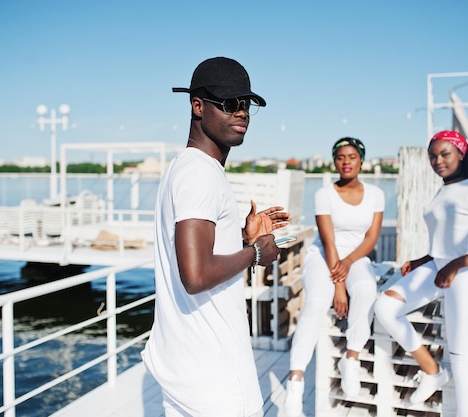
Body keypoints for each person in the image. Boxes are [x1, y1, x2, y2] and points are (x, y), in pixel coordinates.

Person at [141, 57, 290, 417]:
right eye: (229, 104)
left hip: (187, 366)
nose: (241, 114)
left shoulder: (185, 167)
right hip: (214, 377)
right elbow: (196, 275)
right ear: (197, 105)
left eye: (246, 105)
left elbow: (195, 253)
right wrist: (256, 252)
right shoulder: (200, 174)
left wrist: (241, 237)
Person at [373, 130, 468, 417]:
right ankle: (432, 370)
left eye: (445, 154)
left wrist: (456, 265)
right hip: (438, 266)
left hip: (467, 275)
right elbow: (447, 241)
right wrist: (422, 259)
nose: (438, 160)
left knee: (461, 358)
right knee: (385, 307)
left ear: (461, 153)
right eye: (433, 155)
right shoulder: (445, 189)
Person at [284, 137, 384, 417]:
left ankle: (350, 359)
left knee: (366, 291)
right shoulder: (324, 194)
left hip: (357, 256)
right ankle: (295, 381)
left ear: (361, 160)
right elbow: (329, 242)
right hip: (324, 255)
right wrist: (338, 286)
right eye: (341, 157)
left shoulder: (375, 194)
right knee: (317, 301)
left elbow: (371, 238)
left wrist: (350, 263)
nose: (346, 162)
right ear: (334, 162)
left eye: (352, 156)